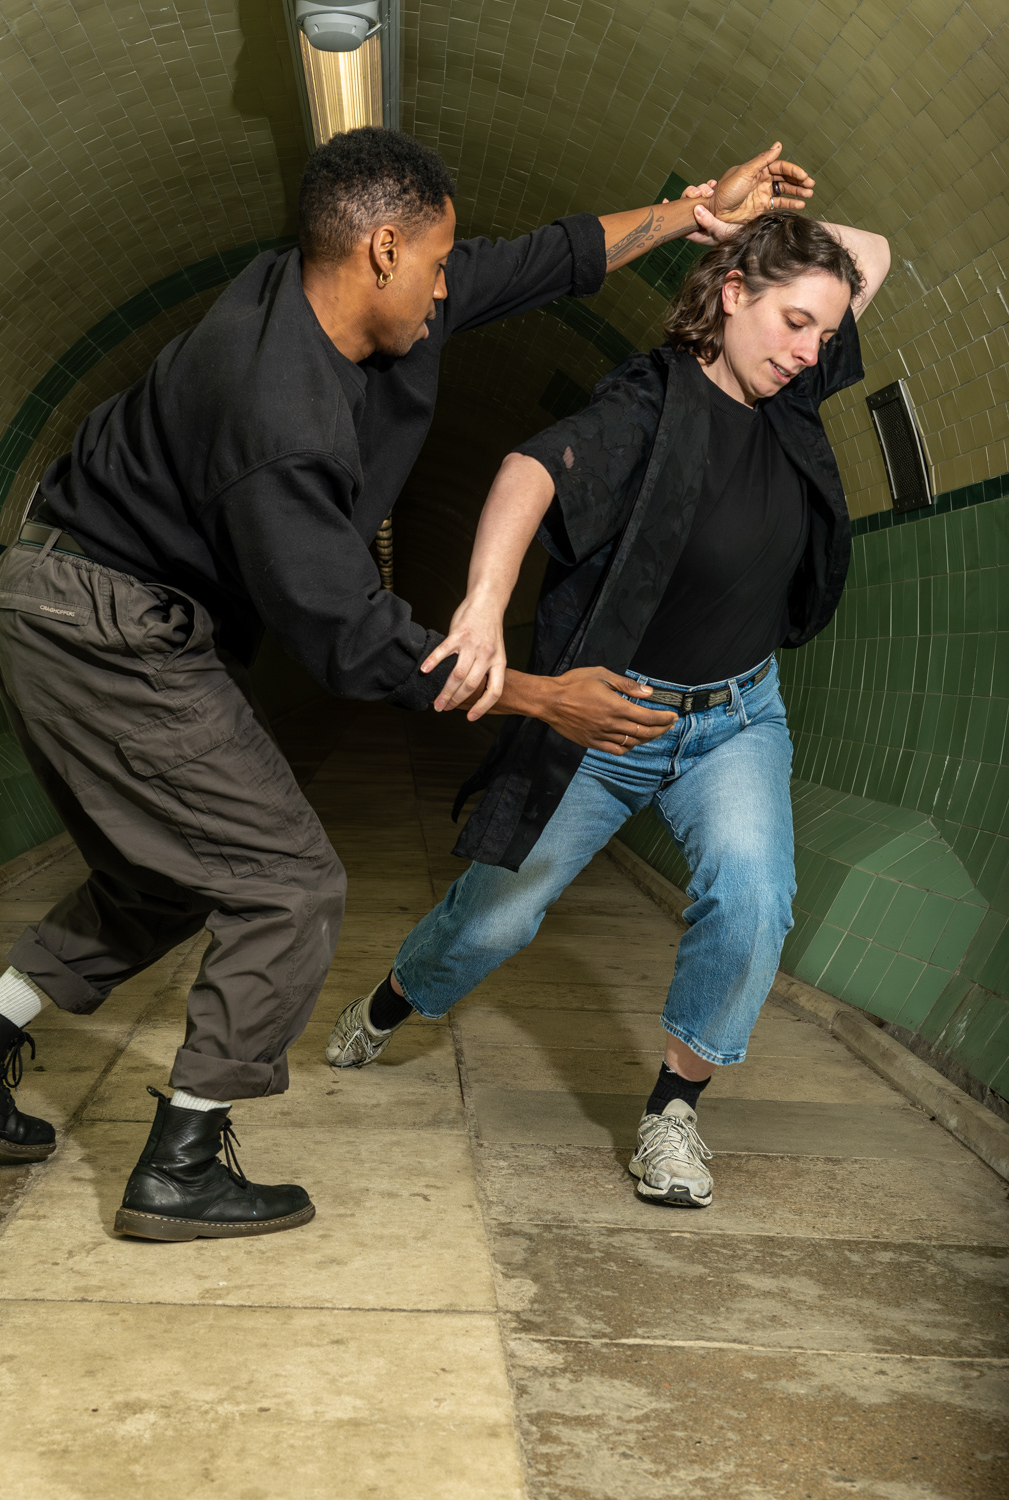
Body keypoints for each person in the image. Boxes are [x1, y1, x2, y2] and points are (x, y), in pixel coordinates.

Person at [0, 127, 816, 1240]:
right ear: (381, 249)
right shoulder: (276, 416)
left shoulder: (345, 293)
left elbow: (544, 259)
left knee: (169, 877)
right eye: (434, 264)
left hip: (84, 605)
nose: (446, 286)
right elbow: (347, 636)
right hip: (101, 624)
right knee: (288, 881)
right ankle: (185, 1158)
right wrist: (539, 696)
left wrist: (688, 216)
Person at [327, 205, 891, 1210]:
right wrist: (486, 610)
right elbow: (525, 472)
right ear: (731, 295)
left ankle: (673, 1115)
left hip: (738, 716)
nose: (811, 351)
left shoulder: (794, 399)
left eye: (824, 332)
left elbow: (875, 254)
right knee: (500, 916)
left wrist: (762, 220)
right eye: (794, 322)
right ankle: (393, 997)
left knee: (754, 896)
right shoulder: (649, 404)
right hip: (613, 715)